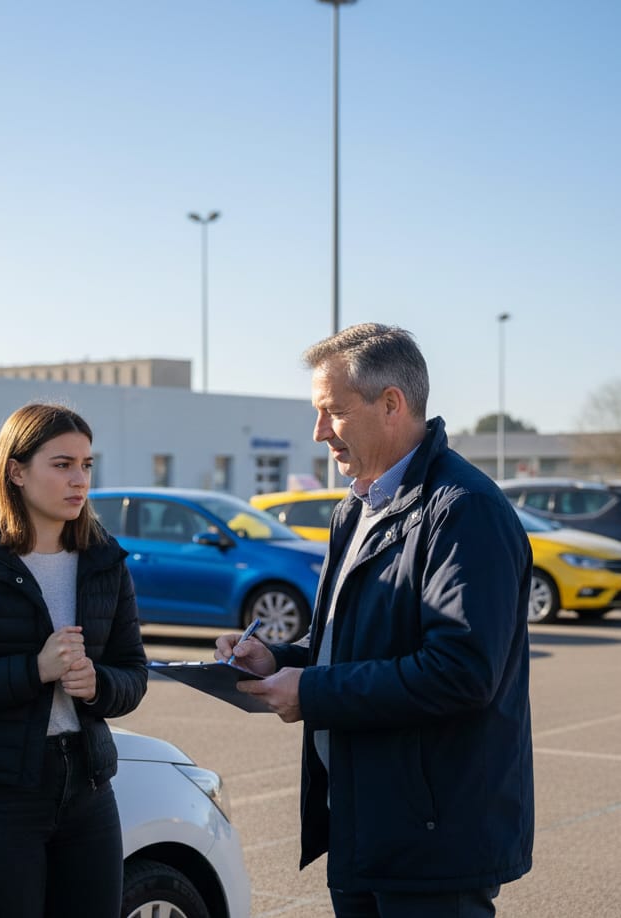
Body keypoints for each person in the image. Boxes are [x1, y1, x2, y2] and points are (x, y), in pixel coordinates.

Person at [217, 323, 534, 917]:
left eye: (332, 412)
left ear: (392, 404)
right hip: (361, 821)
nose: (318, 433)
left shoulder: (465, 512)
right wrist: (282, 658)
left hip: (434, 838)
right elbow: (350, 640)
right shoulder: (355, 509)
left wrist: (311, 690)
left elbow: (461, 671)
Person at [0, 402, 147, 918]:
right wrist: (35, 670)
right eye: (62, 465)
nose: (79, 480)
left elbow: (134, 674)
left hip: (87, 789)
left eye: (86, 465)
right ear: (16, 471)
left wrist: (97, 684)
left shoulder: (104, 559)